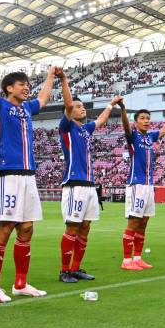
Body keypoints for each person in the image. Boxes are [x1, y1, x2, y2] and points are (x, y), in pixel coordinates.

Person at [0, 65, 58, 302]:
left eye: (27, 85)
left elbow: (43, 98)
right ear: (8, 88)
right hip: (7, 174)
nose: (26, 88)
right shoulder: (0, 106)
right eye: (22, 84)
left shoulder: (26, 108)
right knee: (5, 228)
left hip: (28, 175)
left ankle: (20, 283)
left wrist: (51, 77)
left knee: (26, 228)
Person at [57, 68, 123, 282]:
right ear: (70, 111)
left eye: (83, 106)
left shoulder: (85, 130)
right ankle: (64, 270)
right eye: (78, 106)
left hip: (89, 185)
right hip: (74, 184)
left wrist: (111, 104)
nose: (81, 108)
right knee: (73, 226)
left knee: (85, 227)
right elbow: (68, 104)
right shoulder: (66, 127)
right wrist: (64, 80)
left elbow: (102, 120)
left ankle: (76, 268)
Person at [119, 105, 165, 270]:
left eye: (148, 118)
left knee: (144, 222)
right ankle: (126, 260)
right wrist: (122, 109)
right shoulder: (133, 136)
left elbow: (164, 131)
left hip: (148, 185)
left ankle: (138, 257)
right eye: (142, 119)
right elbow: (126, 125)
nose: (146, 121)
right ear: (136, 122)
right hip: (136, 185)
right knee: (133, 222)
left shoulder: (149, 137)